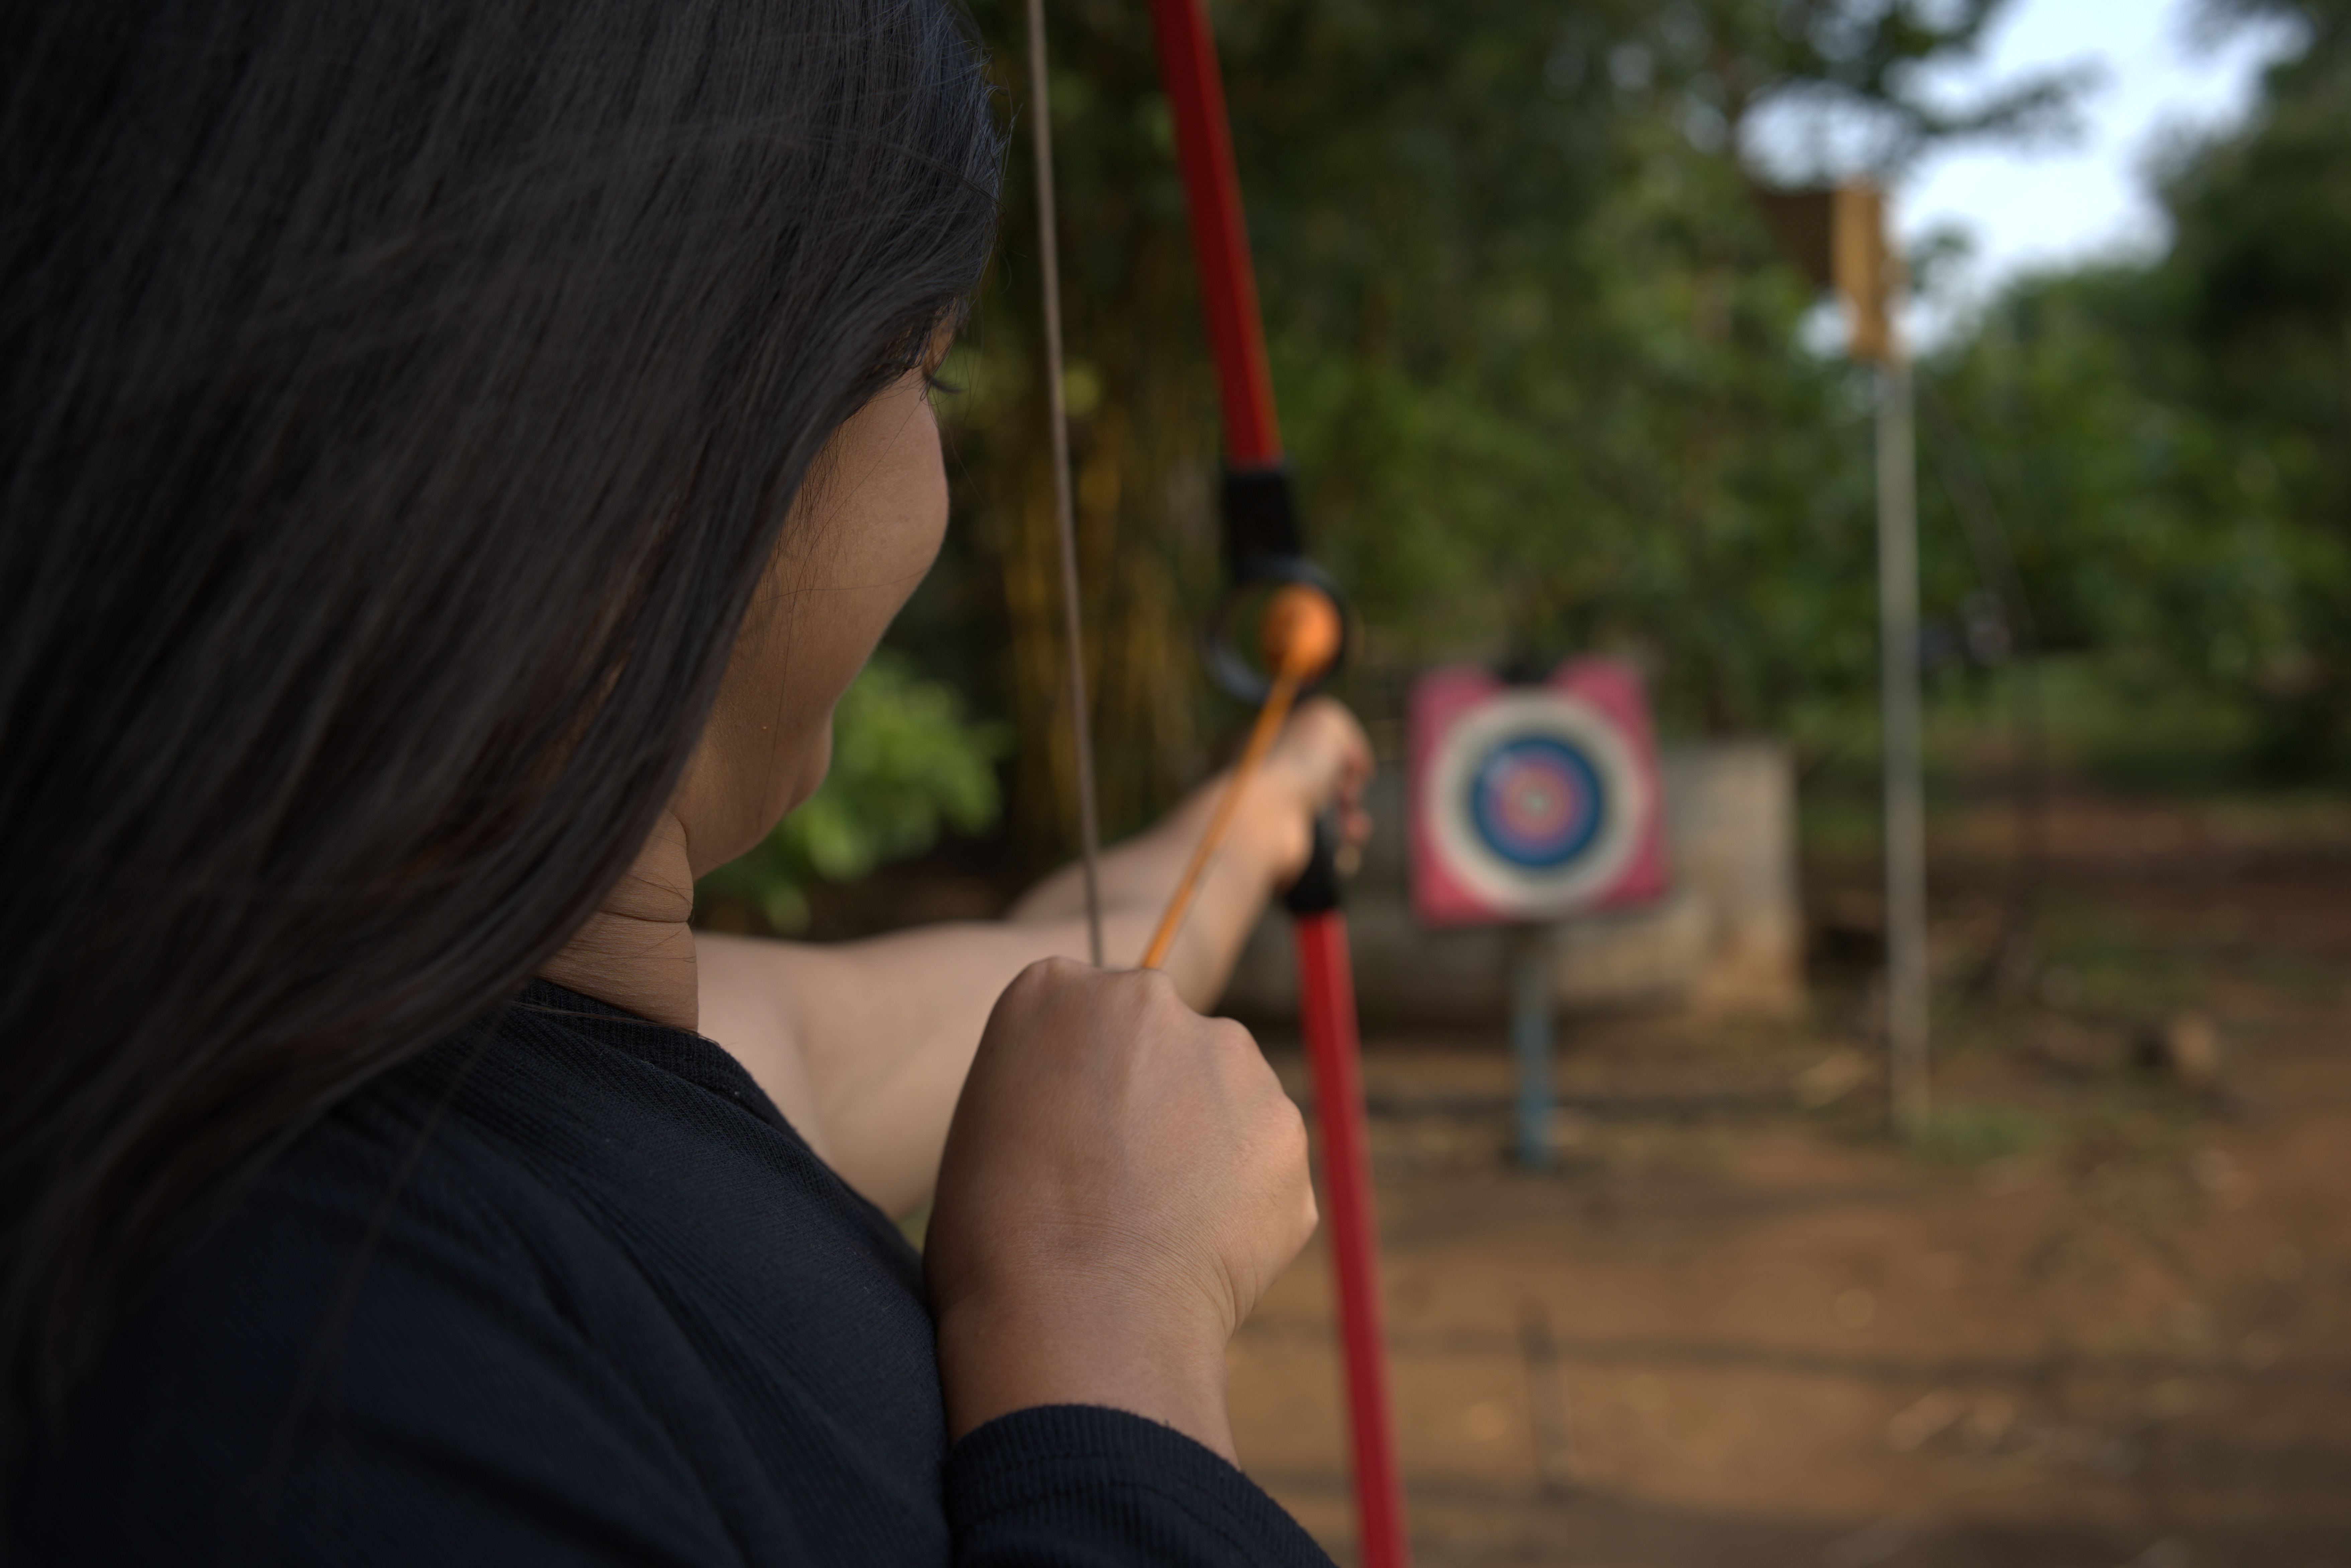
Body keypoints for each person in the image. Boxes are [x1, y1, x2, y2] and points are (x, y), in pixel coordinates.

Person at [0, 1, 1371, 1561]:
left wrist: (1259, 810)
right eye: (929, 382)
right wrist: (1117, 1343)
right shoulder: (289, 1383)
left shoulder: (499, 1048)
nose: (934, 475)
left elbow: (1044, 985)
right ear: (652, 432)